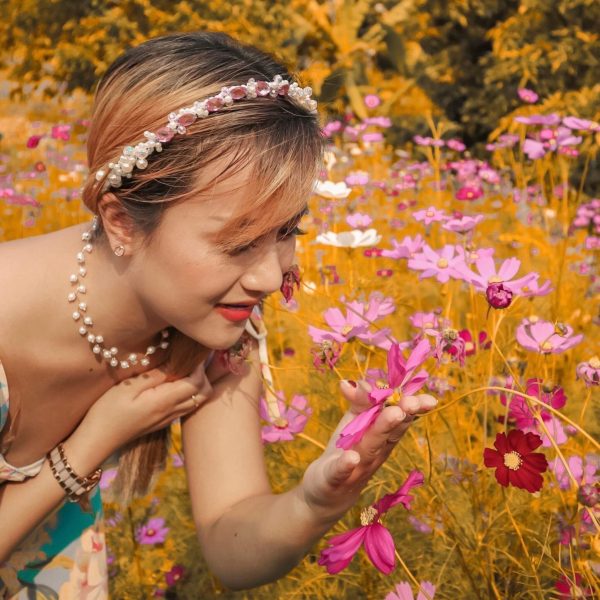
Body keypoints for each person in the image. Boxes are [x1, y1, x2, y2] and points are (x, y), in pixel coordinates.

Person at [0, 31, 437, 598]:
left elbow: (232, 547)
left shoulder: (216, 325)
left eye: (287, 231)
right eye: (237, 243)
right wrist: (86, 449)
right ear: (122, 222)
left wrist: (316, 501)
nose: (269, 277)